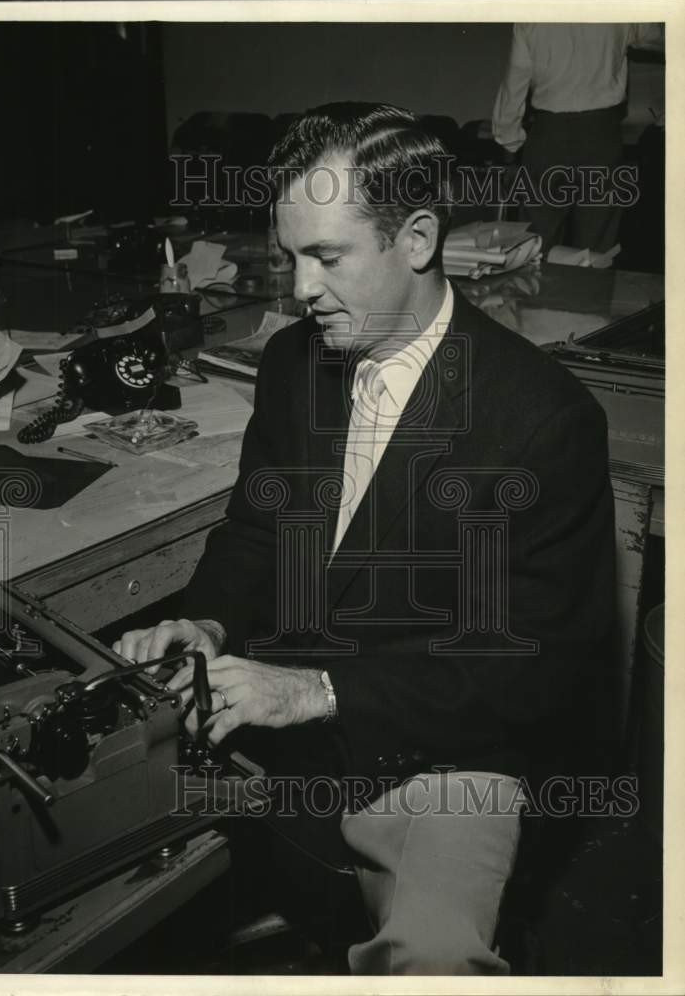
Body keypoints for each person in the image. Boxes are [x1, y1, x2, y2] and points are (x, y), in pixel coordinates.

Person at [114, 102, 615, 975]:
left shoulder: (544, 420)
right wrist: (209, 628)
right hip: (292, 682)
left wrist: (316, 691)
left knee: (431, 956)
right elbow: (256, 531)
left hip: (448, 735)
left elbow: (537, 668)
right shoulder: (293, 363)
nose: (299, 289)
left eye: (326, 256)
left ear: (415, 238)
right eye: (289, 256)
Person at [492, 22, 664, 253]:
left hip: (547, 135)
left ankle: (536, 285)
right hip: (600, 135)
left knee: (536, 240)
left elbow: (515, 80)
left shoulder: (532, 15)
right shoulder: (618, 6)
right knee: (597, 238)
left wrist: (509, 139)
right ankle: (591, 285)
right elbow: (663, 37)